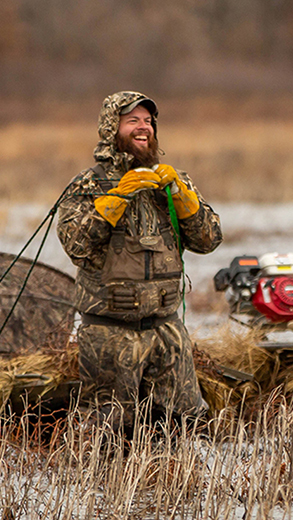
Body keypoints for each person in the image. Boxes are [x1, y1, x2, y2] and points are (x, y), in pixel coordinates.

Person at [57, 91, 223, 432]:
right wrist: (115, 198)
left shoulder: (171, 181)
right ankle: (104, 487)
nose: (143, 127)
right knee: (108, 431)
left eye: (148, 121)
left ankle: (169, 485)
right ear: (111, 127)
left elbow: (208, 241)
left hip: (167, 329)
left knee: (183, 424)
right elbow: (76, 246)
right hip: (110, 333)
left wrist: (183, 197)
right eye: (132, 120)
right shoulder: (88, 184)